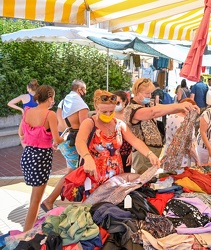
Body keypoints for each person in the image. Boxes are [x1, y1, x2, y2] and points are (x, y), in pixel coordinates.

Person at [75, 89, 160, 184]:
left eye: (111, 111)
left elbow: (135, 141)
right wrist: (87, 158)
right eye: (104, 112)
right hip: (94, 175)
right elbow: (79, 142)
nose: (108, 114)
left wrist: (150, 154)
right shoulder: (89, 123)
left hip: (116, 177)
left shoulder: (119, 124)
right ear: (96, 107)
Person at [124, 78, 197, 174]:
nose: (150, 96)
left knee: (150, 179)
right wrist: (180, 106)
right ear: (137, 92)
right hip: (144, 153)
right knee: (143, 180)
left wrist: (186, 107)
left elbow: (163, 108)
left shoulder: (148, 104)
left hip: (153, 152)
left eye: (151, 93)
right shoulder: (132, 109)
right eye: (147, 94)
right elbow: (154, 112)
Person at [18, 85, 64, 232]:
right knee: (36, 201)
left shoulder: (27, 112)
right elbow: (57, 138)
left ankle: (32, 226)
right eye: (53, 97)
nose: (53, 101)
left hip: (28, 155)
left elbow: (21, 133)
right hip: (41, 158)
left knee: (34, 197)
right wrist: (64, 138)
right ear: (50, 97)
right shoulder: (49, 114)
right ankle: (25, 235)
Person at [41, 79, 88, 212]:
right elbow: (85, 127)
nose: (85, 93)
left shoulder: (63, 101)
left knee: (71, 171)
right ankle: (49, 200)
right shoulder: (81, 105)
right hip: (73, 142)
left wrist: (56, 140)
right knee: (72, 172)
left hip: (63, 139)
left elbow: (57, 121)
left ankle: (73, 197)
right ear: (80, 89)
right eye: (84, 90)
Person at [165, 98, 200, 168]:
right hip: (181, 160)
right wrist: (197, 160)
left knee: (169, 177)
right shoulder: (185, 122)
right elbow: (189, 146)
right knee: (180, 177)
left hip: (168, 154)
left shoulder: (171, 116)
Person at [113, 90, 132, 172]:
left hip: (126, 153)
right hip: (113, 153)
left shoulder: (130, 115)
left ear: (124, 101)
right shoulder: (110, 115)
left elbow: (136, 136)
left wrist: (132, 153)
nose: (115, 105)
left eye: (118, 102)